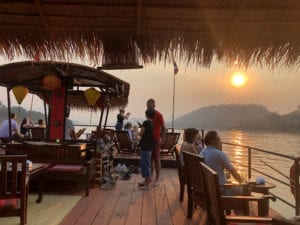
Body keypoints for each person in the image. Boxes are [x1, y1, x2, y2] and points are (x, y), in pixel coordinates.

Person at [200, 130, 243, 195]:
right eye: (219, 140)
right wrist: (242, 183)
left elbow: (212, 168)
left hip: (207, 188)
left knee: (229, 179)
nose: (221, 142)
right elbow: (233, 172)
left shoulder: (202, 153)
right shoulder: (219, 154)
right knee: (243, 189)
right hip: (219, 190)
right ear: (213, 141)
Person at [147, 98, 166, 186]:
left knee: (157, 159)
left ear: (154, 106)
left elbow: (163, 128)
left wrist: (161, 138)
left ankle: (157, 178)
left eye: (150, 106)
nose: (149, 107)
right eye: (148, 106)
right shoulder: (148, 114)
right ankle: (151, 176)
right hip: (149, 140)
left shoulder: (159, 115)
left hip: (156, 139)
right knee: (150, 159)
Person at [138, 108, 156, 190]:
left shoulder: (146, 122)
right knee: (147, 163)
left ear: (146, 115)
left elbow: (141, 134)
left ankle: (147, 184)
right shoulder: (153, 123)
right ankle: (146, 181)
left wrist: (139, 131)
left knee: (145, 164)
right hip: (150, 146)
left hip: (145, 146)